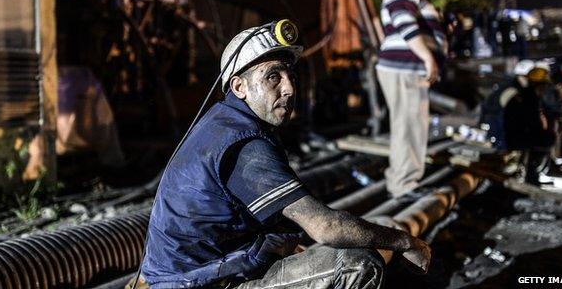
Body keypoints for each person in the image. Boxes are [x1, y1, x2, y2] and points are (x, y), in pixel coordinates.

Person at [141, 23, 431, 288]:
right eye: (272, 77)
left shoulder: (224, 124)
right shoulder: (243, 144)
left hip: (197, 277)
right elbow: (327, 227)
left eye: (290, 75)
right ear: (239, 87)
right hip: (202, 284)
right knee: (355, 264)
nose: (289, 88)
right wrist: (406, 242)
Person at [376, 0, 447, 197]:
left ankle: (406, 181)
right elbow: (405, 25)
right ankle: (403, 185)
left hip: (406, 68)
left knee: (412, 124)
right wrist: (428, 56)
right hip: (403, 68)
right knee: (408, 126)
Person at [480, 62, 555, 185]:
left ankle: (530, 171)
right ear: (539, 85)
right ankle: (531, 174)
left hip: (511, 135)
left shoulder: (524, 94)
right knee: (547, 138)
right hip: (508, 138)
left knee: (542, 137)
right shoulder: (527, 97)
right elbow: (533, 124)